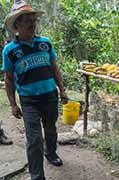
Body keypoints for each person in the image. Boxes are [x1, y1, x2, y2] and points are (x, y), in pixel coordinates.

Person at [2, 1, 68, 180]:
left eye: (34, 21)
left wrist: (62, 90)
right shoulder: (10, 51)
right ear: (17, 26)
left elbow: (55, 68)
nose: (32, 24)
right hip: (29, 100)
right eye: (27, 21)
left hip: (50, 96)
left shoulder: (45, 43)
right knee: (34, 139)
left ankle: (51, 153)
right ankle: (37, 176)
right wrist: (13, 104)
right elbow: (8, 79)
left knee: (51, 129)